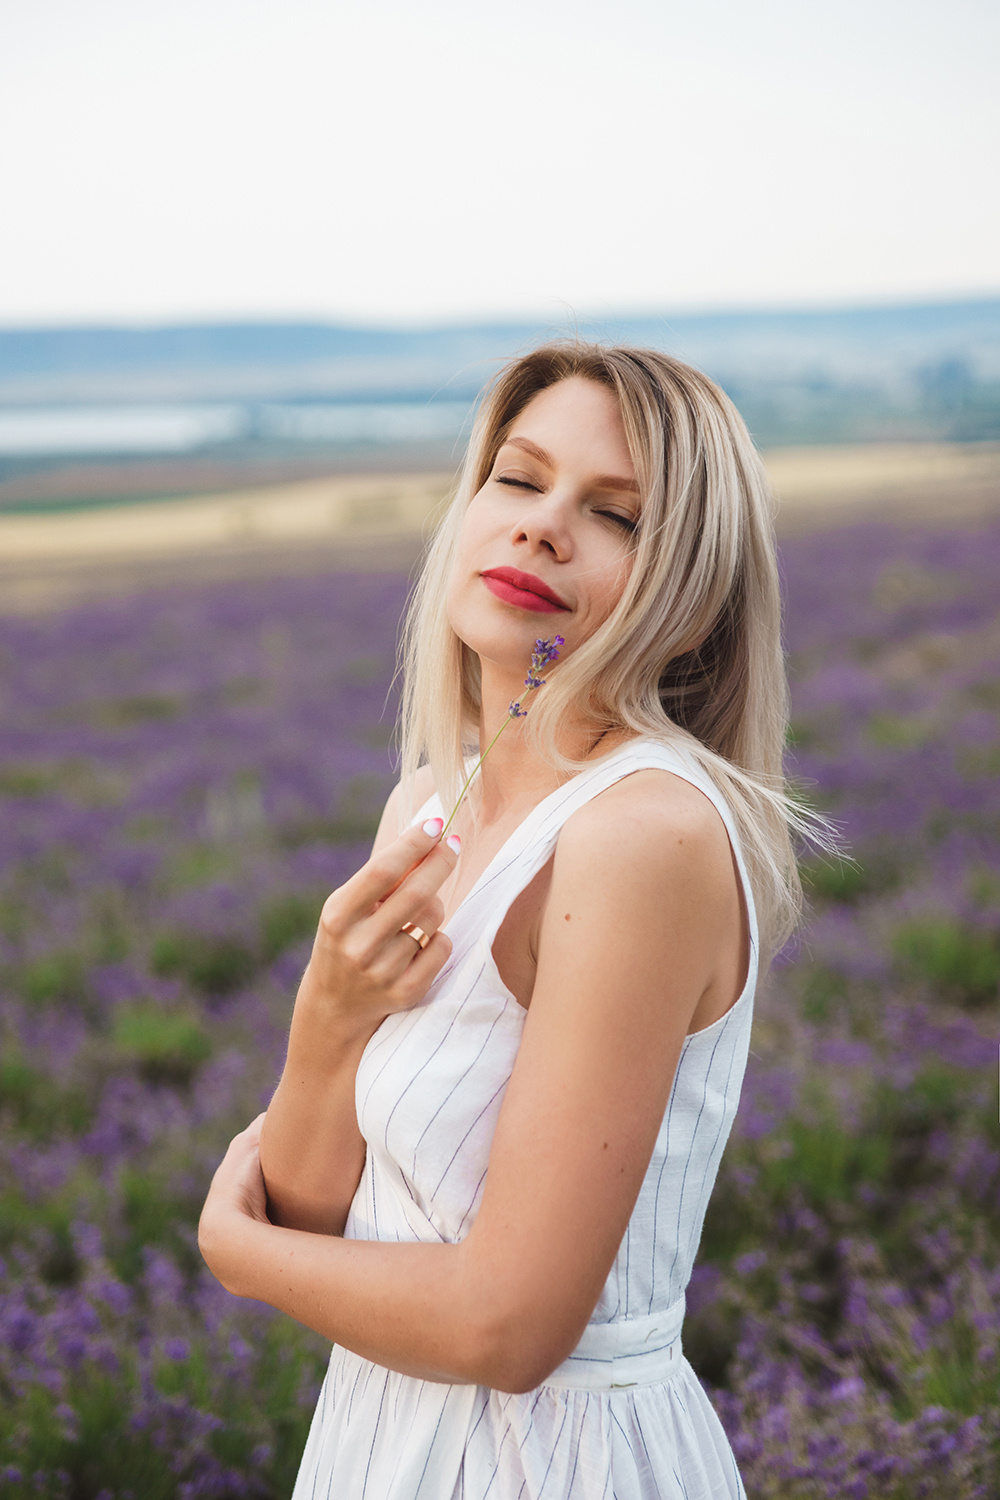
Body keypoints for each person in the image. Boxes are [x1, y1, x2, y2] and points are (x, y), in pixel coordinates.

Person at [198, 342, 810, 1499]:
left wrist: (239, 1254)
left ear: (689, 606)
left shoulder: (643, 836)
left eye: (616, 516)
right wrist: (326, 1019)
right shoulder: (430, 804)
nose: (541, 527)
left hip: (552, 1465)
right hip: (379, 1444)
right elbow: (319, 1206)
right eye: (519, 480)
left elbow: (509, 1327)